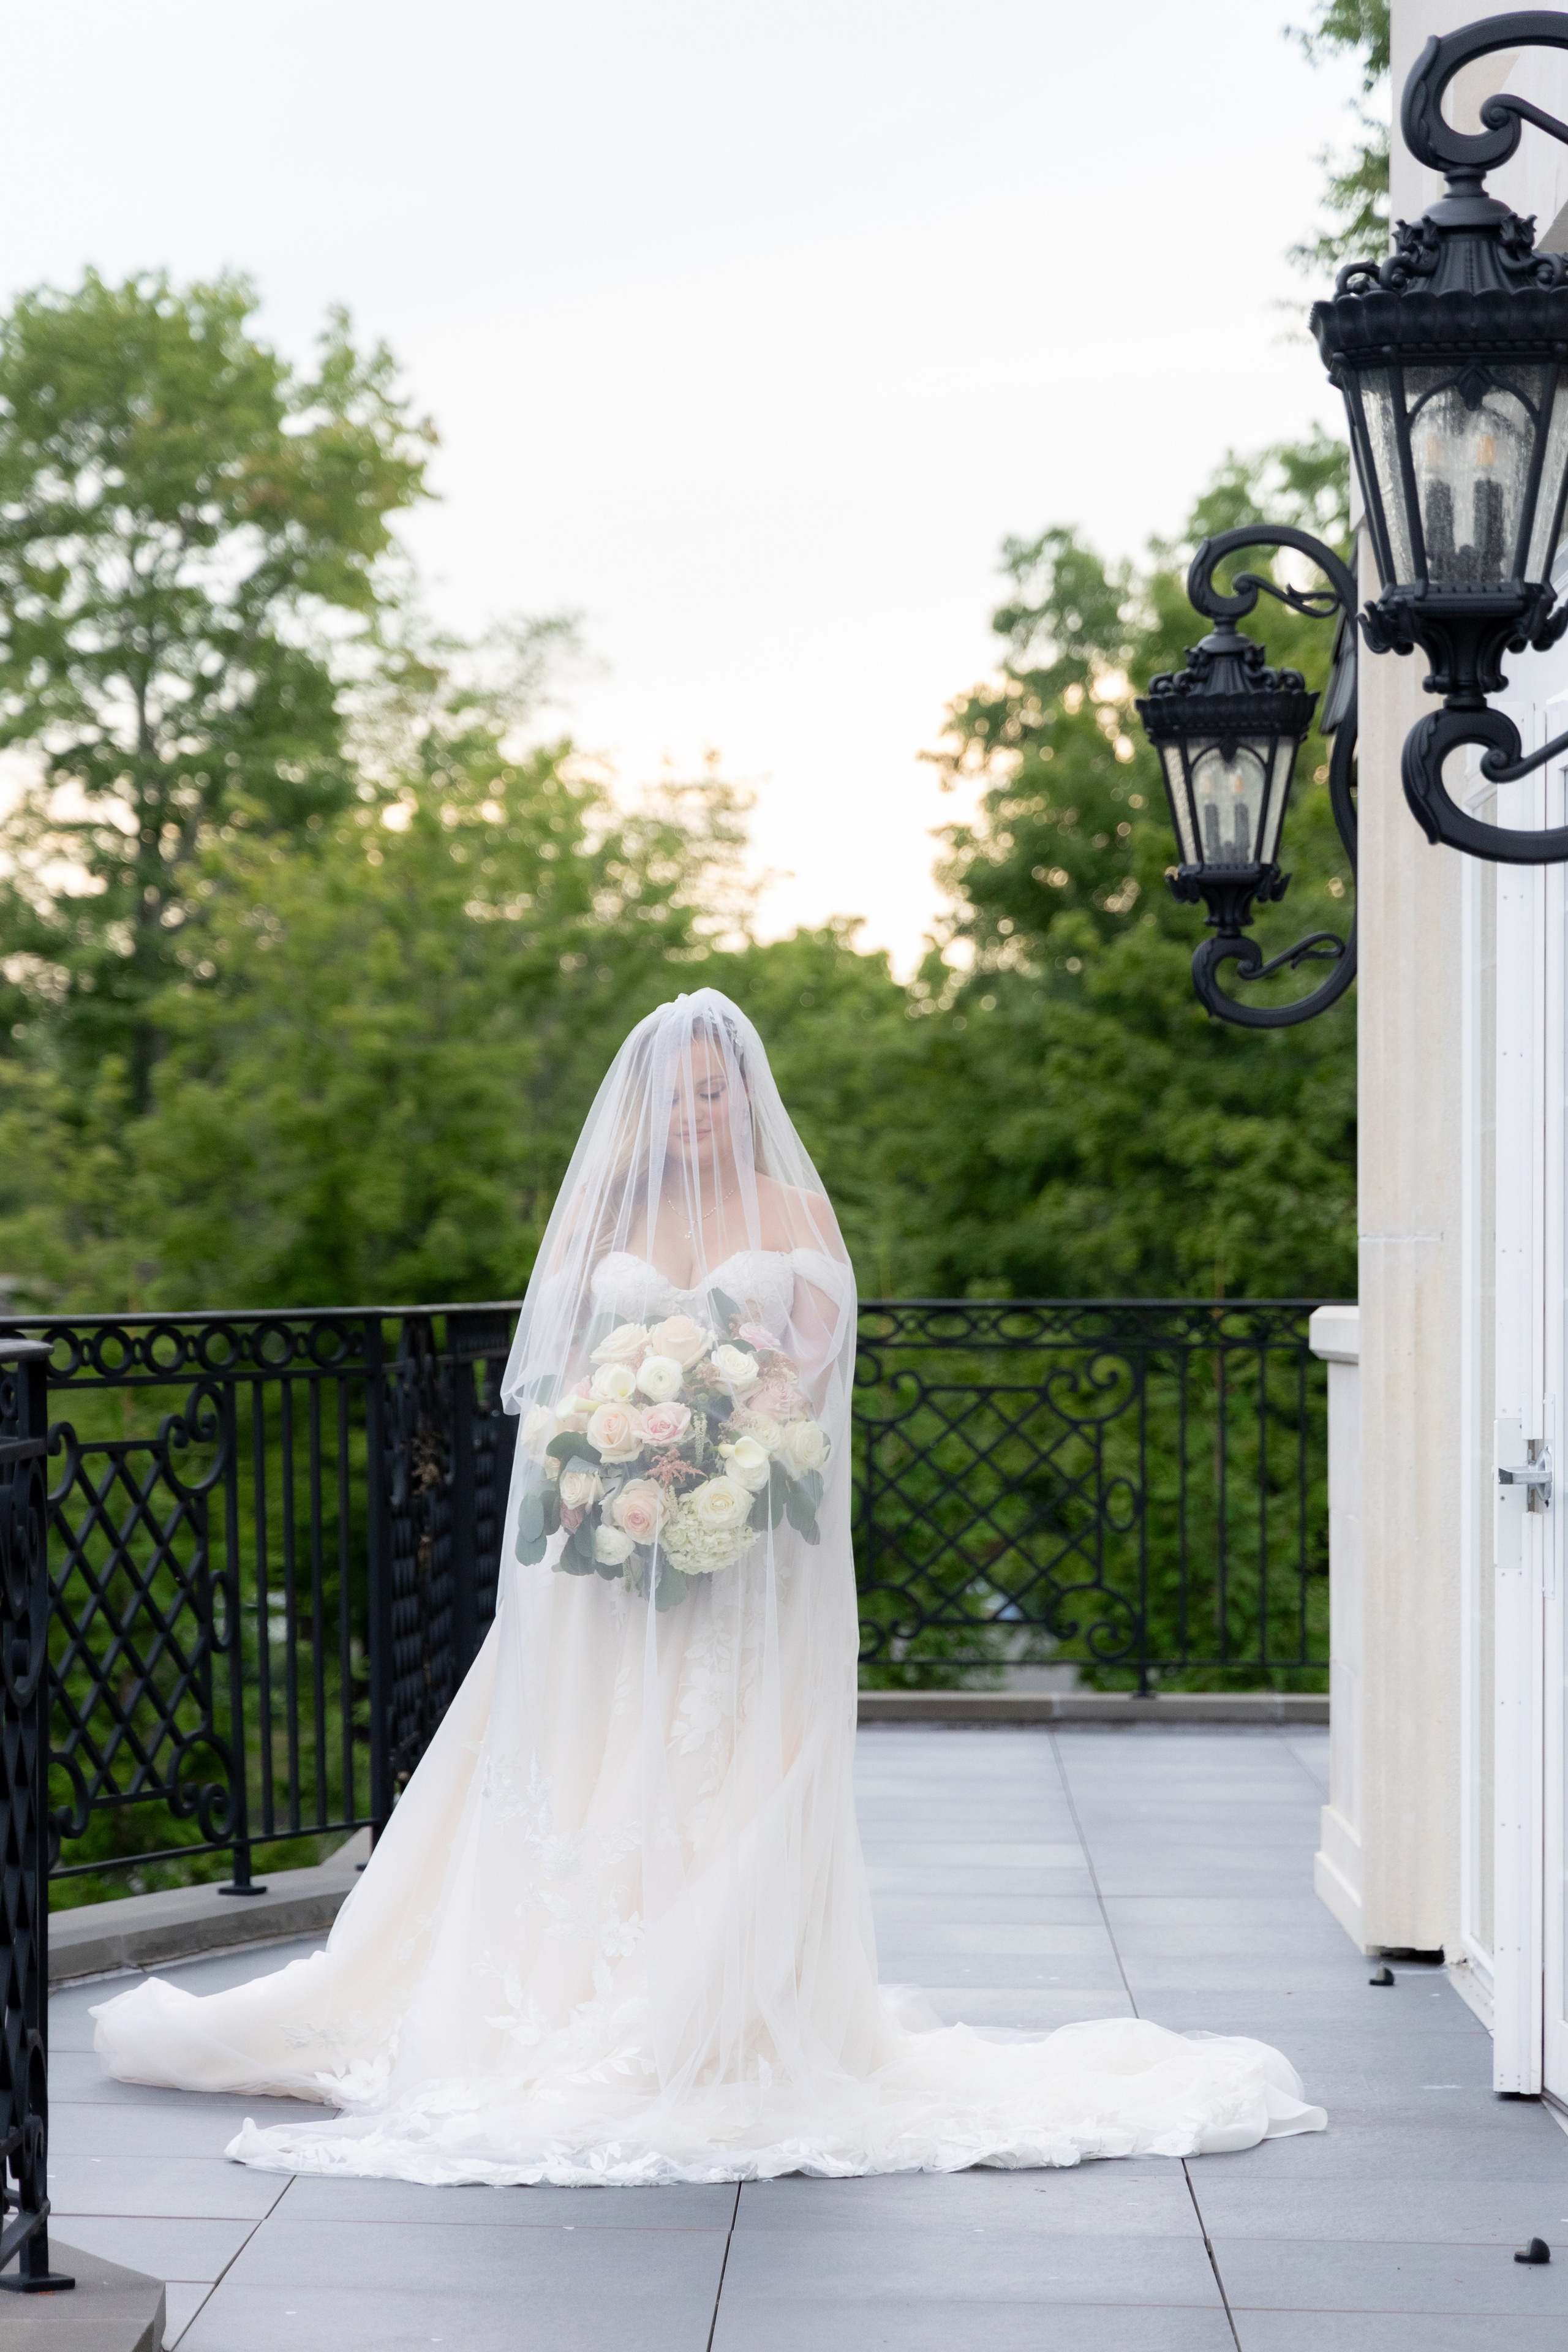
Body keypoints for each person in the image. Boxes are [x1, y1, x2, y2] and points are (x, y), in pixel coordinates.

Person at [92, 989, 1324, 2184]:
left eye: (712, 1092)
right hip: (604, 1553)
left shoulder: (792, 1207)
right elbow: (552, 1382)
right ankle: (577, 1991)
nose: (693, 1114)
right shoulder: (600, 1215)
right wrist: (611, 1459)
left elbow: (815, 1373)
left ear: (744, 1094)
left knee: (729, 1758)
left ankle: (718, 2004)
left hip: (745, 1546)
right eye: (674, 1096)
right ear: (646, 1106)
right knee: (598, 1755)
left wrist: (728, 1442)